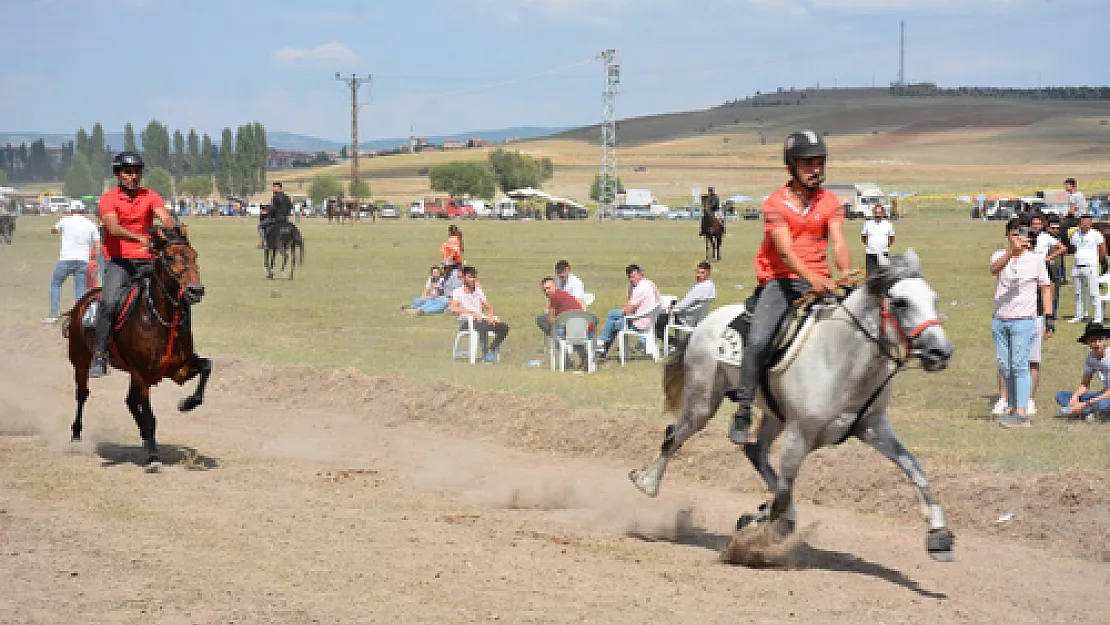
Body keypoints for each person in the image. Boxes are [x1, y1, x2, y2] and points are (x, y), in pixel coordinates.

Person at [728, 129, 852, 445]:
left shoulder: (831, 201)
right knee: (758, 340)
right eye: (807, 163)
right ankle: (743, 407)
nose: (816, 169)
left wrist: (846, 272)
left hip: (821, 280)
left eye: (819, 162)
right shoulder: (774, 203)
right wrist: (813, 279)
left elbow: (838, 241)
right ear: (791, 167)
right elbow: (785, 252)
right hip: (780, 282)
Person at [89, 151, 175, 378]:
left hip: (148, 260)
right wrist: (140, 238)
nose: (134, 176)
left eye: (137, 171)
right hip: (120, 261)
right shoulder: (108, 199)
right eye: (128, 172)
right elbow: (113, 228)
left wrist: (169, 228)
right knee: (109, 302)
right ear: (118, 174)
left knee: (177, 294)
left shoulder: (150, 195)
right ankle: (99, 355)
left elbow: (163, 216)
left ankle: (178, 346)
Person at [992, 214, 1062, 416]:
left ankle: (1022, 408)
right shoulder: (998, 255)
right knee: (1005, 365)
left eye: (1022, 234)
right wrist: (1010, 253)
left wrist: (1049, 317)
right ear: (1007, 236)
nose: (1019, 238)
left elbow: (1046, 288)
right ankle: (1009, 400)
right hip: (1000, 318)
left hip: (1024, 319)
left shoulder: (1036, 260)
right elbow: (993, 269)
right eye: (1015, 234)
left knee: (1022, 364)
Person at [42, 206, 101, 324]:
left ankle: (53, 314)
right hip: (83, 260)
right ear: (84, 211)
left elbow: (53, 229)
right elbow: (98, 245)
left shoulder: (65, 220)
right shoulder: (90, 225)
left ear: (71, 211)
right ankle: (81, 315)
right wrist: (97, 262)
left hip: (66, 259)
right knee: (80, 288)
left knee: (56, 284)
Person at [596, 264, 661, 358]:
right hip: (648, 320)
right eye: (630, 277)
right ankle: (602, 348)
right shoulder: (649, 284)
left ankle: (602, 343)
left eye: (633, 277)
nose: (631, 279)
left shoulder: (640, 289)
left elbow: (626, 311)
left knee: (613, 318)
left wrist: (630, 293)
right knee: (614, 319)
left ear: (640, 275)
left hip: (639, 324)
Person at [449, 266, 509, 363]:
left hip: (480, 320)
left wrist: (490, 316)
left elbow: (489, 307)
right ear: (463, 278)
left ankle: (491, 348)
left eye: (474, 277)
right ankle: (485, 354)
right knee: (483, 326)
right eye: (470, 277)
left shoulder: (478, 291)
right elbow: (453, 308)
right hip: (466, 322)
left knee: (504, 327)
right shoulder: (458, 292)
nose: (472, 279)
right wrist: (471, 313)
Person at [1055, 321, 1110, 424]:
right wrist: (1075, 396)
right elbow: (1084, 384)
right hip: (1103, 395)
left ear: (1105, 339)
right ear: (1088, 342)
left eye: (1100, 340)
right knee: (1061, 396)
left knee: (1102, 404)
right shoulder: (1091, 357)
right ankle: (1089, 412)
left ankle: (1083, 411)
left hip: (1107, 397)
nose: (1097, 344)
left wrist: (1085, 404)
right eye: (1093, 340)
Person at [655, 261, 716, 338]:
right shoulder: (711, 286)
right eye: (697, 272)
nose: (698, 275)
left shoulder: (700, 288)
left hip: (684, 319)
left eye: (702, 273)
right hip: (696, 319)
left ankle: (673, 343)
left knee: (655, 320)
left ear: (708, 274)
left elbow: (682, 306)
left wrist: (670, 309)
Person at [1069, 213, 1105, 324]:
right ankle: (1079, 315)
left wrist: (1096, 261)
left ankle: (1097, 317)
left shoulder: (1096, 234)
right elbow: (1074, 247)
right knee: (1078, 292)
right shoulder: (1075, 235)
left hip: (1090, 266)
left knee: (1094, 292)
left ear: (1090, 223)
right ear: (1080, 223)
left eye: (1087, 222)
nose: (1085, 224)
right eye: (1083, 222)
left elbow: (1103, 249)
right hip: (1077, 266)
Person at [860, 204, 895, 276]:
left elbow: (891, 238)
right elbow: (863, 237)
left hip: (884, 253)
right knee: (870, 275)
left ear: (883, 213)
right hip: (870, 254)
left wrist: (886, 245)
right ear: (873, 213)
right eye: (876, 213)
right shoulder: (868, 223)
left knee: (884, 275)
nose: (877, 215)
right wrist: (869, 245)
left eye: (879, 213)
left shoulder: (888, 224)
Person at [1044, 216, 1067, 324]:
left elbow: (1063, 256)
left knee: (1055, 293)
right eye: (1053, 228)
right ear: (1048, 228)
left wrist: (1063, 271)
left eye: (1057, 228)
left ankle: (1053, 313)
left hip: (1056, 269)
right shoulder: (1043, 239)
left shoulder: (1060, 239)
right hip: (1044, 268)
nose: (1055, 230)